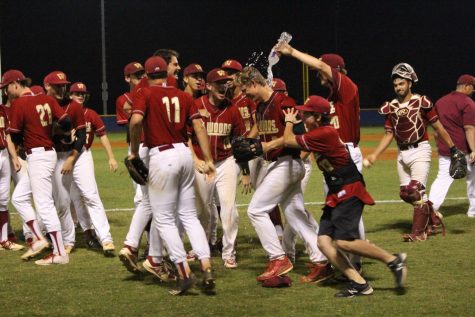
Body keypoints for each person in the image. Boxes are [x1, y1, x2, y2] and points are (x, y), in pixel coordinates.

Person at [282, 95, 408, 297]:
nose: (301, 116)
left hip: (348, 188)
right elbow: (301, 151)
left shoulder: (324, 133)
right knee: (323, 242)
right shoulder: (319, 133)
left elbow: (288, 141)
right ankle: (359, 284)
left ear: (317, 116)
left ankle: (393, 260)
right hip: (337, 190)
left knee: (343, 242)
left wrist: (288, 122)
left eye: (305, 114)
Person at [129, 56, 216, 295]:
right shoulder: (184, 95)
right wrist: (208, 159)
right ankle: (206, 267)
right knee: (189, 216)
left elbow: (136, 121)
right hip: (185, 155)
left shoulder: (145, 93)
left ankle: (184, 273)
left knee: (164, 218)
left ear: (146, 76)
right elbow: (199, 127)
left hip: (162, 156)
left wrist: (134, 153)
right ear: (166, 75)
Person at [275, 42, 365, 270]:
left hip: (345, 156)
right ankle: (348, 260)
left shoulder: (347, 87)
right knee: (340, 210)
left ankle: (355, 260)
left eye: (321, 72)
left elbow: (321, 66)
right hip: (332, 159)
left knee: (348, 210)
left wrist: (292, 52)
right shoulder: (331, 98)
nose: (319, 76)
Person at [236, 66, 328, 282]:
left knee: (256, 210)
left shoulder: (284, 102)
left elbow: (297, 136)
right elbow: (264, 136)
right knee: (295, 213)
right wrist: (250, 144)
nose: (244, 93)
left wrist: (264, 147)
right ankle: (321, 259)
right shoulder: (260, 107)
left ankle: (278, 258)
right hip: (278, 165)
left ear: (254, 82)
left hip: (287, 163)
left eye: (245, 88)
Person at [365, 63, 457, 241]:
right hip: (402, 154)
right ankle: (432, 217)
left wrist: (453, 148)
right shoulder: (391, 106)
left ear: (410, 83)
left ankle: (419, 233)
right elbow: (389, 134)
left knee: (415, 191)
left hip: (420, 151)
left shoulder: (422, 102)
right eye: (396, 85)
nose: (398, 87)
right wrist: (375, 155)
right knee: (405, 194)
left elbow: (438, 127)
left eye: (402, 83)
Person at [4, 69, 72, 265]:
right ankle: (39, 238)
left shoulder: (19, 103)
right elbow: (66, 121)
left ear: (16, 84)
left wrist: (25, 138)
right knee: (18, 198)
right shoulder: (47, 100)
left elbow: (15, 135)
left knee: (44, 204)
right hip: (47, 153)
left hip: (38, 156)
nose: (6, 92)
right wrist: (60, 134)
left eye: (7, 87)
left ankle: (60, 253)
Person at [191, 68, 247, 268]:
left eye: (226, 83)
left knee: (229, 209)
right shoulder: (197, 105)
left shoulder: (232, 109)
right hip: (202, 165)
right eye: (218, 83)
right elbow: (185, 136)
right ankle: (200, 248)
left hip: (226, 162)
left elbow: (240, 141)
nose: (223, 86)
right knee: (201, 210)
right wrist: (194, 159)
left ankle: (229, 252)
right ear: (208, 86)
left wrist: (246, 171)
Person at [68, 82, 118, 253]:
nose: (80, 96)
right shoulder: (64, 112)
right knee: (75, 198)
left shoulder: (91, 114)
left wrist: (111, 157)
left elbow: (102, 136)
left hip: (82, 155)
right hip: (64, 155)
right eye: (76, 93)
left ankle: (106, 238)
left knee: (91, 196)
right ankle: (88, 235)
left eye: (82, 93)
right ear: (70, 95)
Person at [44, 71, 88, 254]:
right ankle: (43, 235)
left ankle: (68, 240)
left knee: (62, 201)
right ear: (47, 86)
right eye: (57, 86)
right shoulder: (42, 104)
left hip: (63, 156)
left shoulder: (74, 107)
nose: (61, 89)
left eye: (63, 85)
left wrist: (72, 157)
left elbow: (82, 135)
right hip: (42, 157)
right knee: (44, 201)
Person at [429, 75, 475, 218]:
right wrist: (474, 149)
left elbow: (436, 128)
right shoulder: (468, 103)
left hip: (446, 149)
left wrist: (440, 145)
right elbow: (469, 128)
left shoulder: (441, 101)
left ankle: (430, 210)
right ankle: (473, 210)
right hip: (464, 149)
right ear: (466, 86)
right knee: (473, 179)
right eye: (472, 88)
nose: (473, 91)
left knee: (442, 179)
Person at [116, 62, 145, 207]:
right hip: (136, 145)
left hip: (154, 144)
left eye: (142, 73)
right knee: (139, 190)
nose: (141, 77)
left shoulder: (151, 92)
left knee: (146, 194)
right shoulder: (123, 100)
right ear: (127, 78)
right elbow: (131, 125)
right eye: (137, 75)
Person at [0, 90, 23, 251]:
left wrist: (14, 158)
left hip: (3, 154)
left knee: (3, 199)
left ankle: (4, 240)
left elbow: (7, 135)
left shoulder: (1, 110)